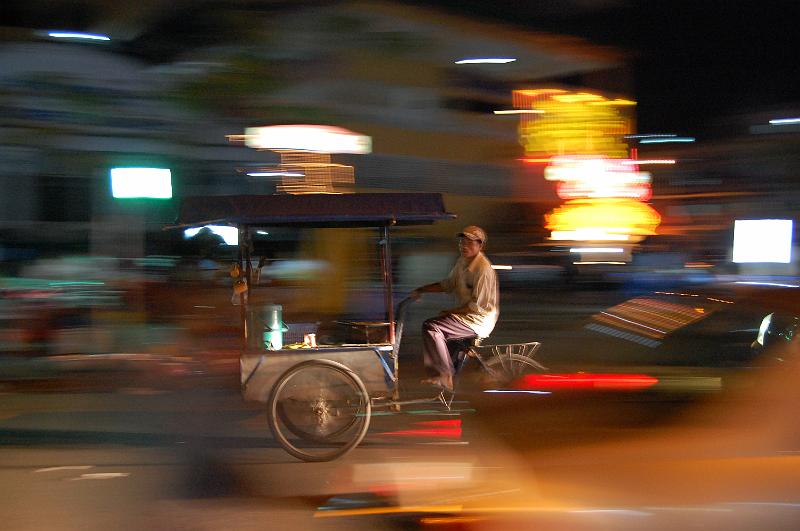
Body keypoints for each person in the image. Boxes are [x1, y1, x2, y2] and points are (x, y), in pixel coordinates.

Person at [410, 225, 499, 392]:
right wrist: (421, 289)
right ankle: (446, 382)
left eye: (470, 243)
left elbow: (476, 306)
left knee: (432, 327)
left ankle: (444, 375)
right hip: (467, 317)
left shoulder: (483, 269)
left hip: (478, 320)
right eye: (462, 242)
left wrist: (451, 312)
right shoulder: (462, 262)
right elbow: (447, 284)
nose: (464, 246)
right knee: (444, 342)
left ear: (480, 246)